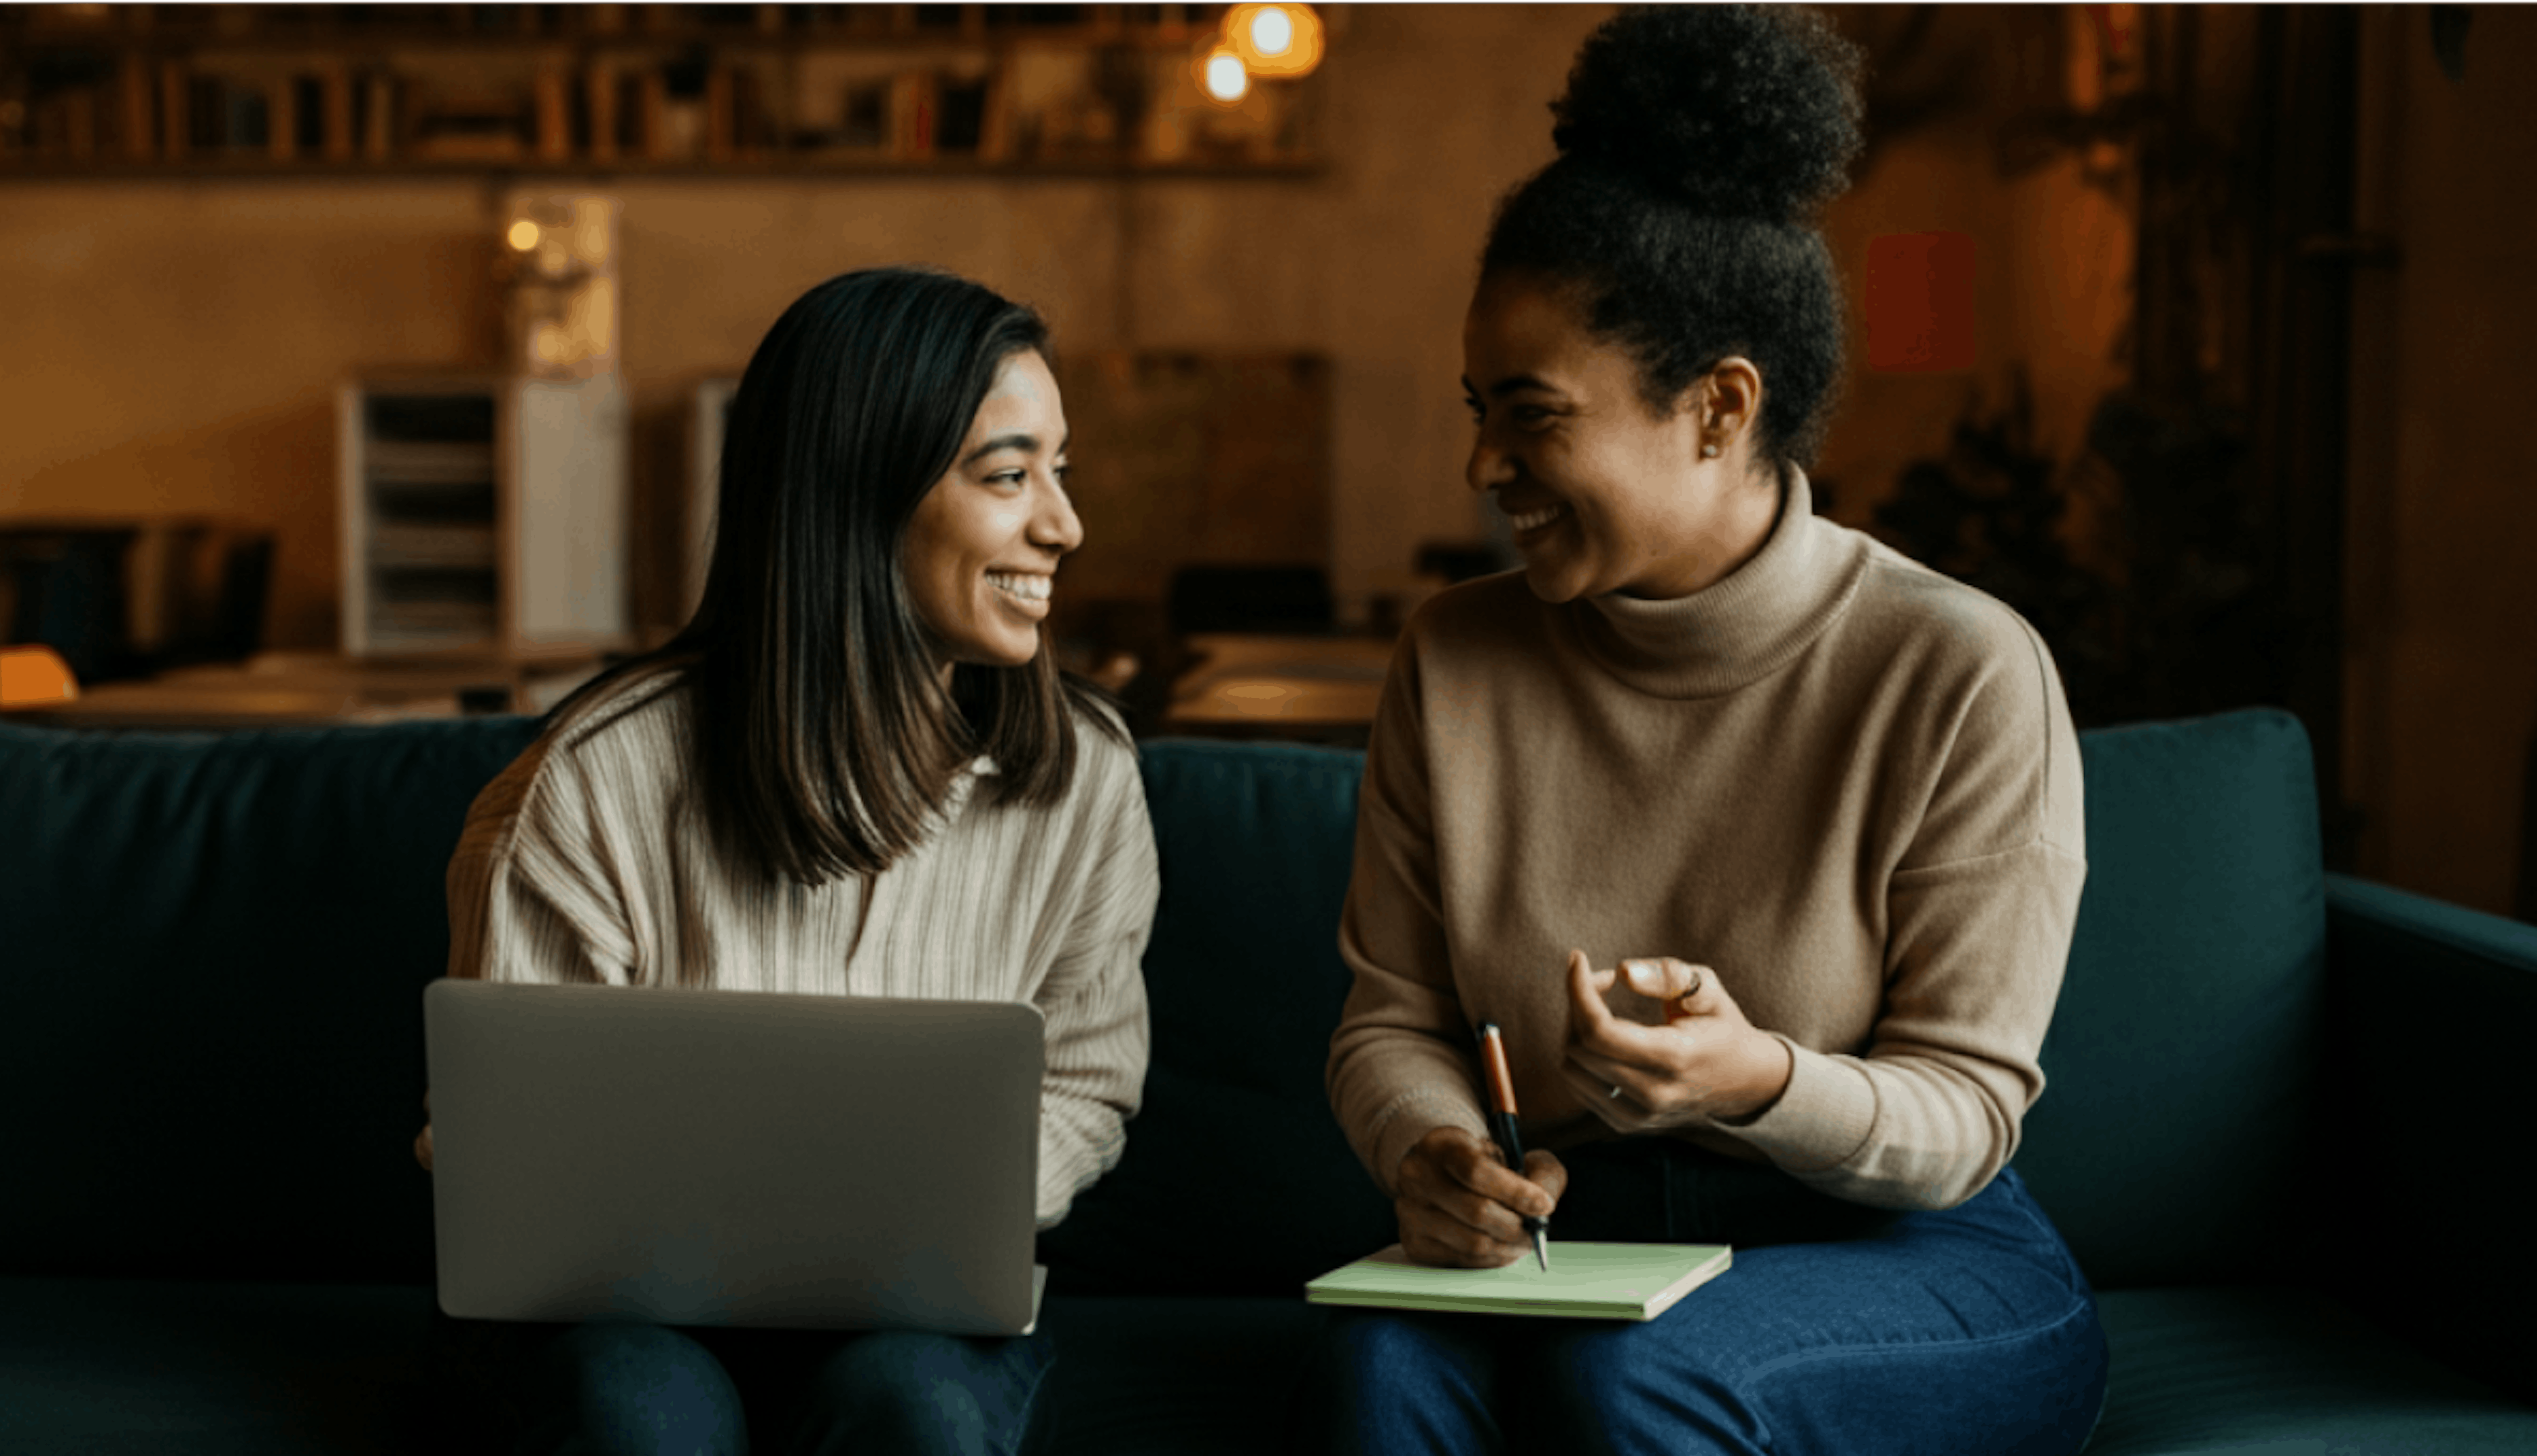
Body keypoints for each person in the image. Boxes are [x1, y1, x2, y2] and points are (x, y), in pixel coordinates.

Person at [1302, 7, 2108, 1454]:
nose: (1484, 465)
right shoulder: (1456, 656)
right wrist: (1428, 1147)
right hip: (1579, 1238)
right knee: (1376, 1371)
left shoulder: (1958, 667)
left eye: (1533, 417)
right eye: (1479, 409)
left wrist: (1761, 1079)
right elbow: (1392, 1022)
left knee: (1644, 1379)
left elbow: (1967, 1111)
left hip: (1901, 1253)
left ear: (1720, 406)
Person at [415, 266, 1156, 1456]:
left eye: (1057, 471)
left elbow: (1085, 1079)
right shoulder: (593, 782)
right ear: (854, 498)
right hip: (619, 1319)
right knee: (640, 1418)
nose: (1064, 523)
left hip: (920, 1317)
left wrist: (911, 1228)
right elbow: (506, 1143)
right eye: (1012, 476)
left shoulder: (1088, 781)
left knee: (913, 1411)